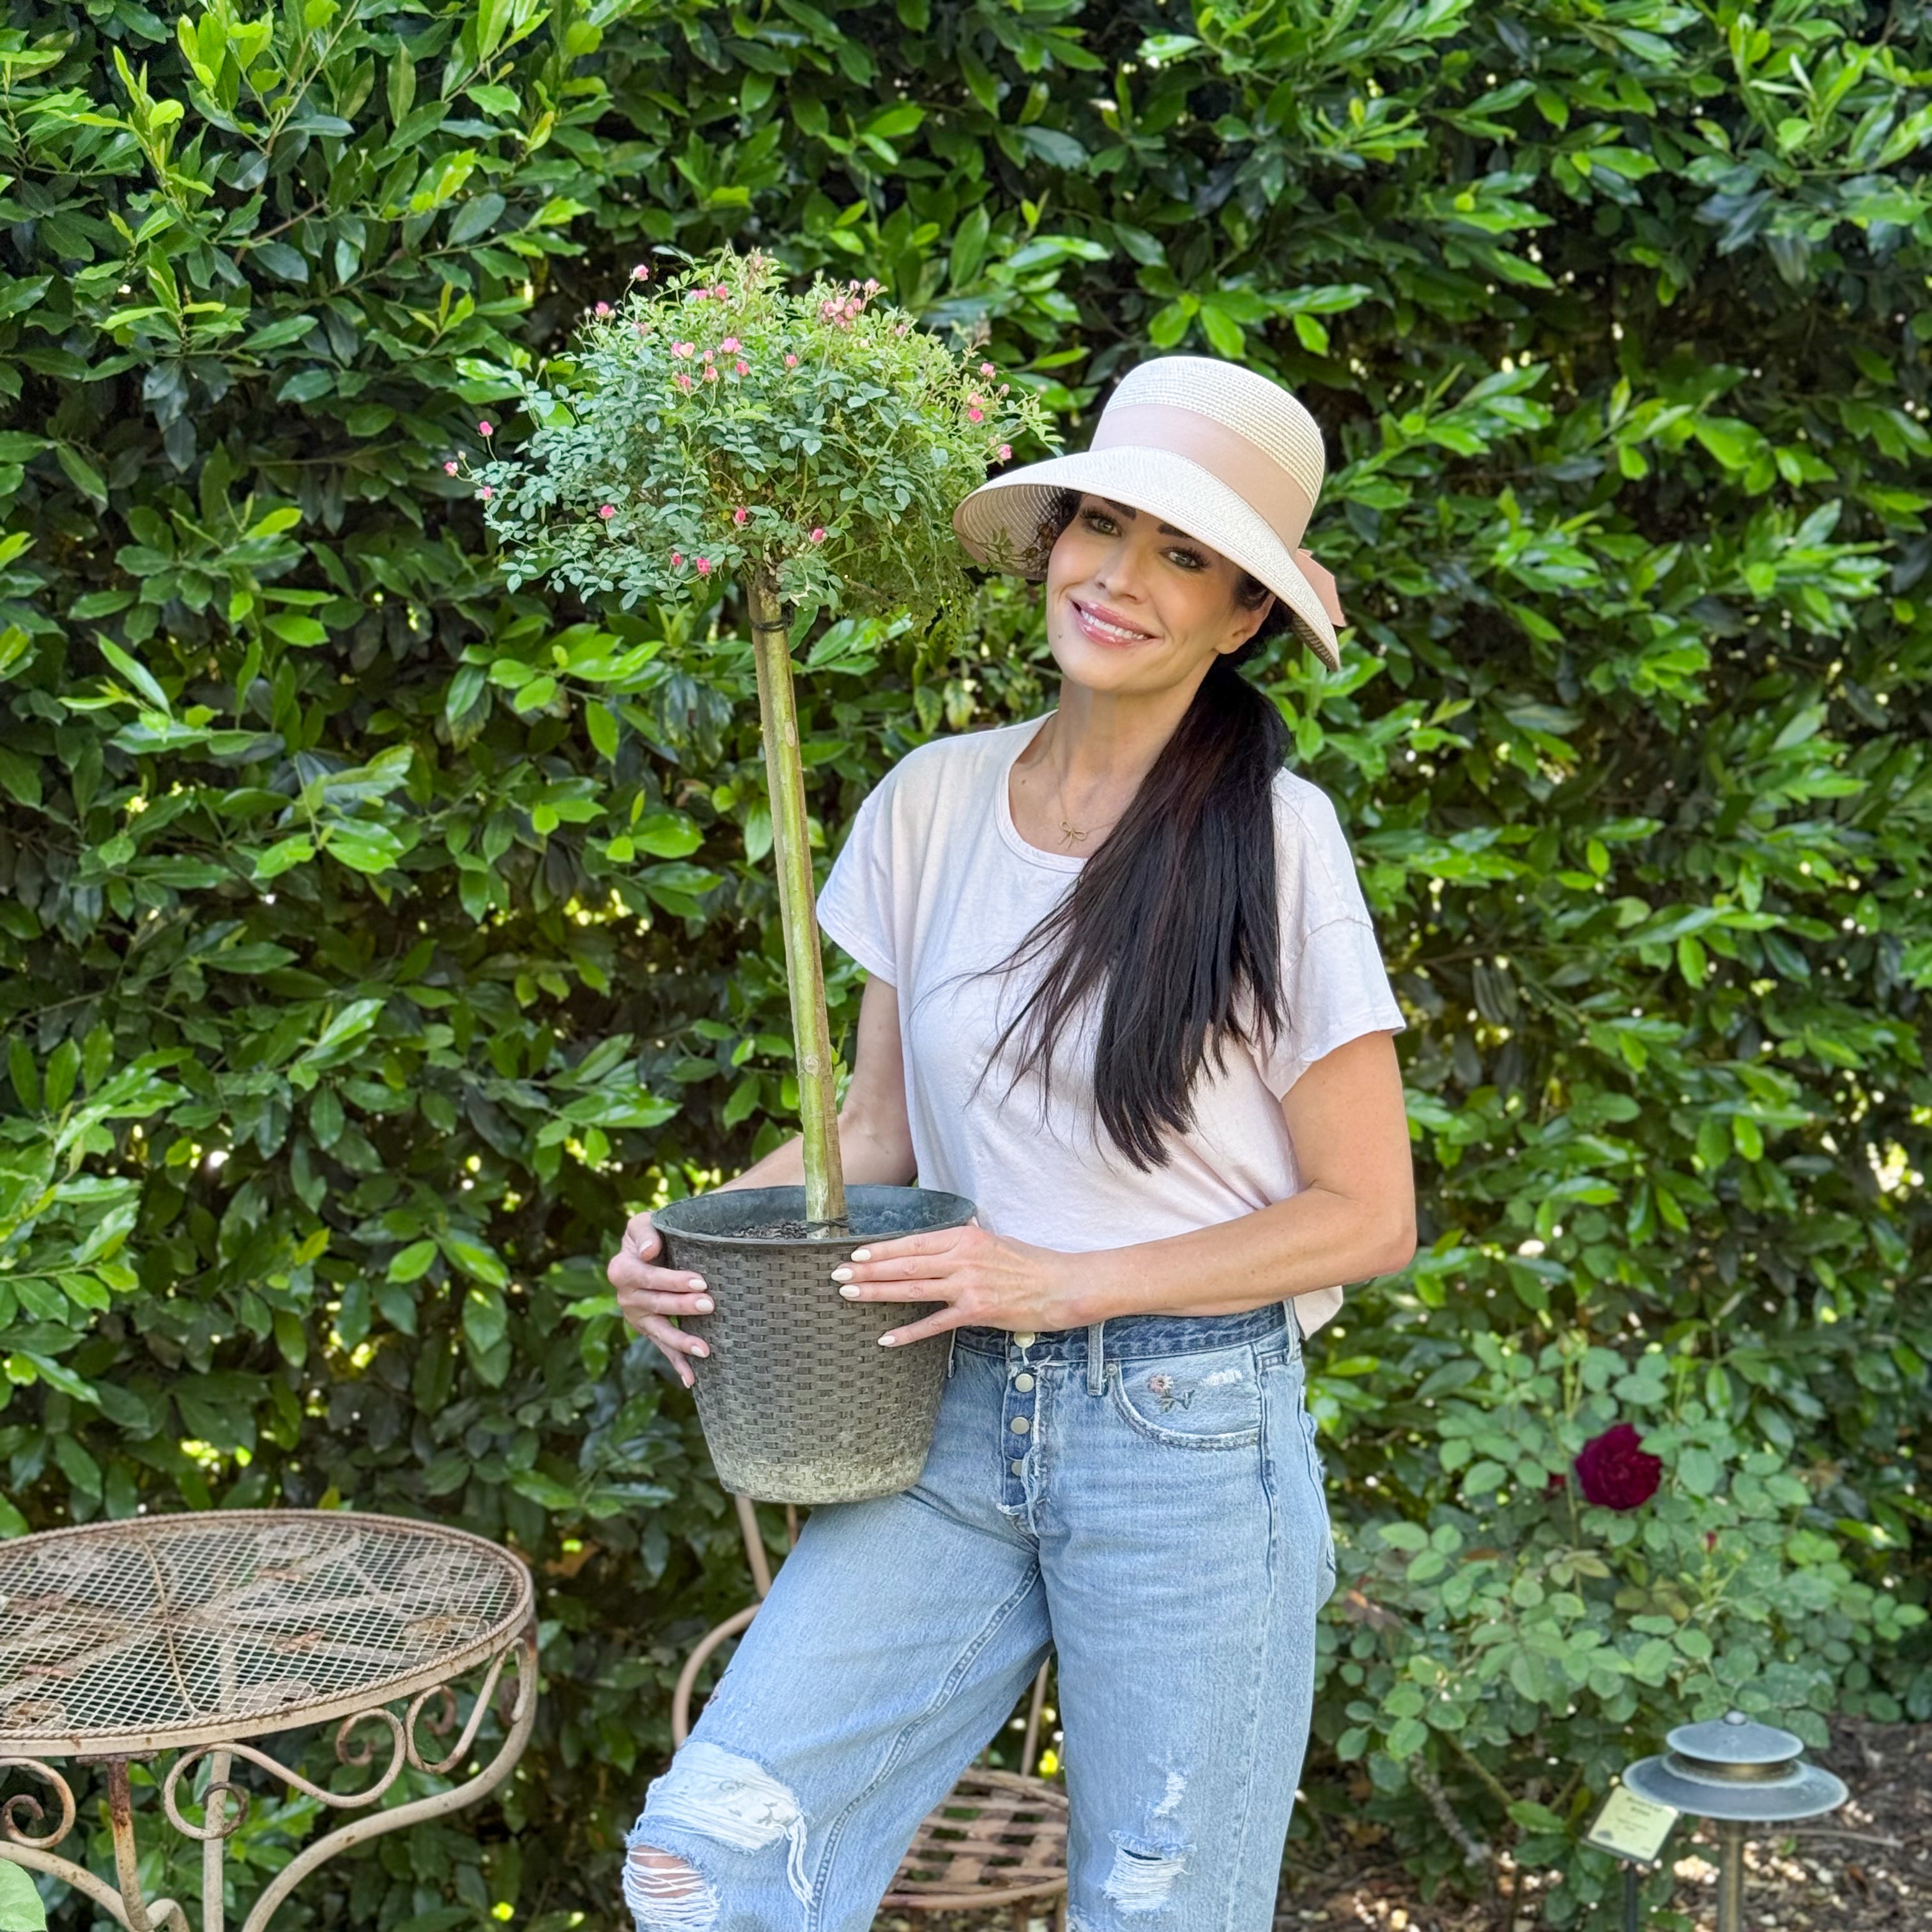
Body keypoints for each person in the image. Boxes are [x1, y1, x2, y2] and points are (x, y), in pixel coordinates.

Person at [607, 355, 1415, 1932]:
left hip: (1189, 1438)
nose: (1119, 579)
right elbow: (872, 1131)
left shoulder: (1276, 843)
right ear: (1050, 540)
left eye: (1184, 555)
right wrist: (686, 1238)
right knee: (707, 1861)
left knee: (1159, 1909)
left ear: (1244, 615)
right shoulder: (930, 802)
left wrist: (1072, 1279)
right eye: (1100, 526)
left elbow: (1368, 1215)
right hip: (945, 1413)